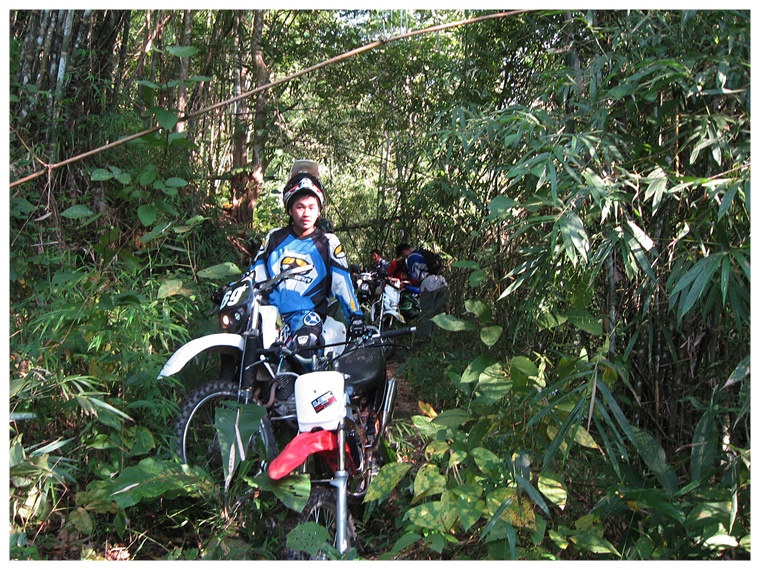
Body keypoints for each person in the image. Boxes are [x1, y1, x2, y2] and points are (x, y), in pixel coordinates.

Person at [251, 160, 366, 356]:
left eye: (312, 207)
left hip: (308, 316)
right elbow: (256, 273)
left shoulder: (328, 242)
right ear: (290, 209)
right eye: (300, 207)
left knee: (305, 349)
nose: (306, 213)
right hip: (269, 314)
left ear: (319, 210)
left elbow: (342, 283)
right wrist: (233, 290)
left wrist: (355, 316)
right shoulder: (273, 238)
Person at [395, 242, 448, 341]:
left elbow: (414, 278)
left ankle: (423, 339)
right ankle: (438, 338)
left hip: (429, 283)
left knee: (427, 313)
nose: (404, 257)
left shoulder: (411, 258)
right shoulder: (423, 252)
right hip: (442, 282)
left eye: (403, 255)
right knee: (439, 313)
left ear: (404, 252)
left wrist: (407, 285)